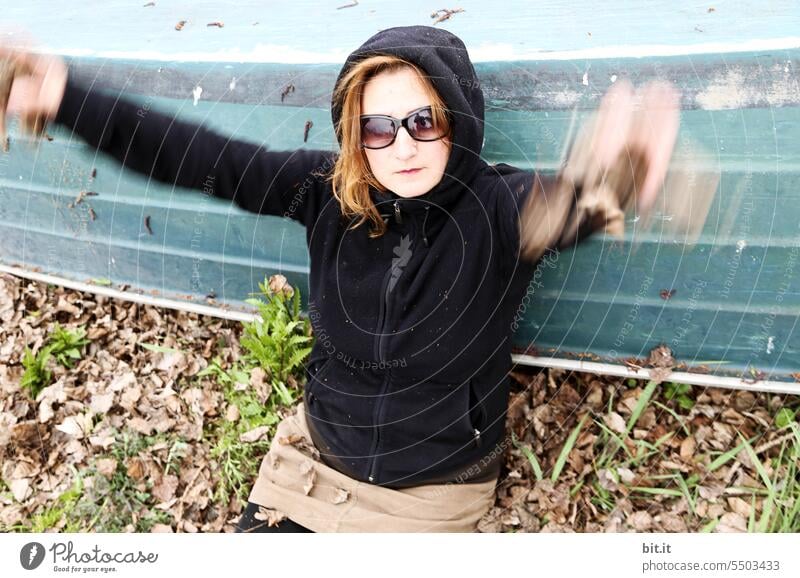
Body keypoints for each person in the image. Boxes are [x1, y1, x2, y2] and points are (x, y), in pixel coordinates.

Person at [1, 25, 678, 532]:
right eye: (378, 128)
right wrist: (64, 97)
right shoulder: (325, 194)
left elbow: (570, 207)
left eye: (424, 119)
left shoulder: (500, 208)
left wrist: (610, 182)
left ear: (458, 119)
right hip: (309, 471)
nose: (403, 144)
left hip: (428, 502)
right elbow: (194, 153)